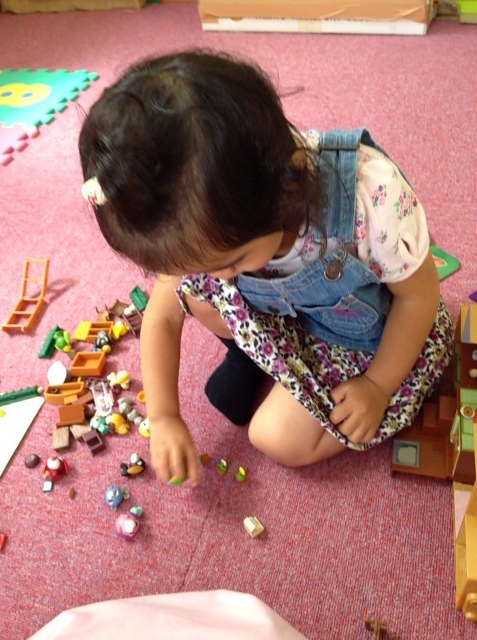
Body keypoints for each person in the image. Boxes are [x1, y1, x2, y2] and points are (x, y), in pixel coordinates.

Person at [79, 49, 453, 486]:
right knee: (194, 295)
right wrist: (163, 416)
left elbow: (418, 298)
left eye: (231, 260)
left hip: (367, 338)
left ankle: (279, 362)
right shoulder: (202, 214)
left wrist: (377, 386)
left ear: (285, 192)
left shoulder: (371, 201)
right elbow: (162, 313)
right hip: (286, 313)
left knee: (274, 437)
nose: (219, 277)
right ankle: (252, 356)